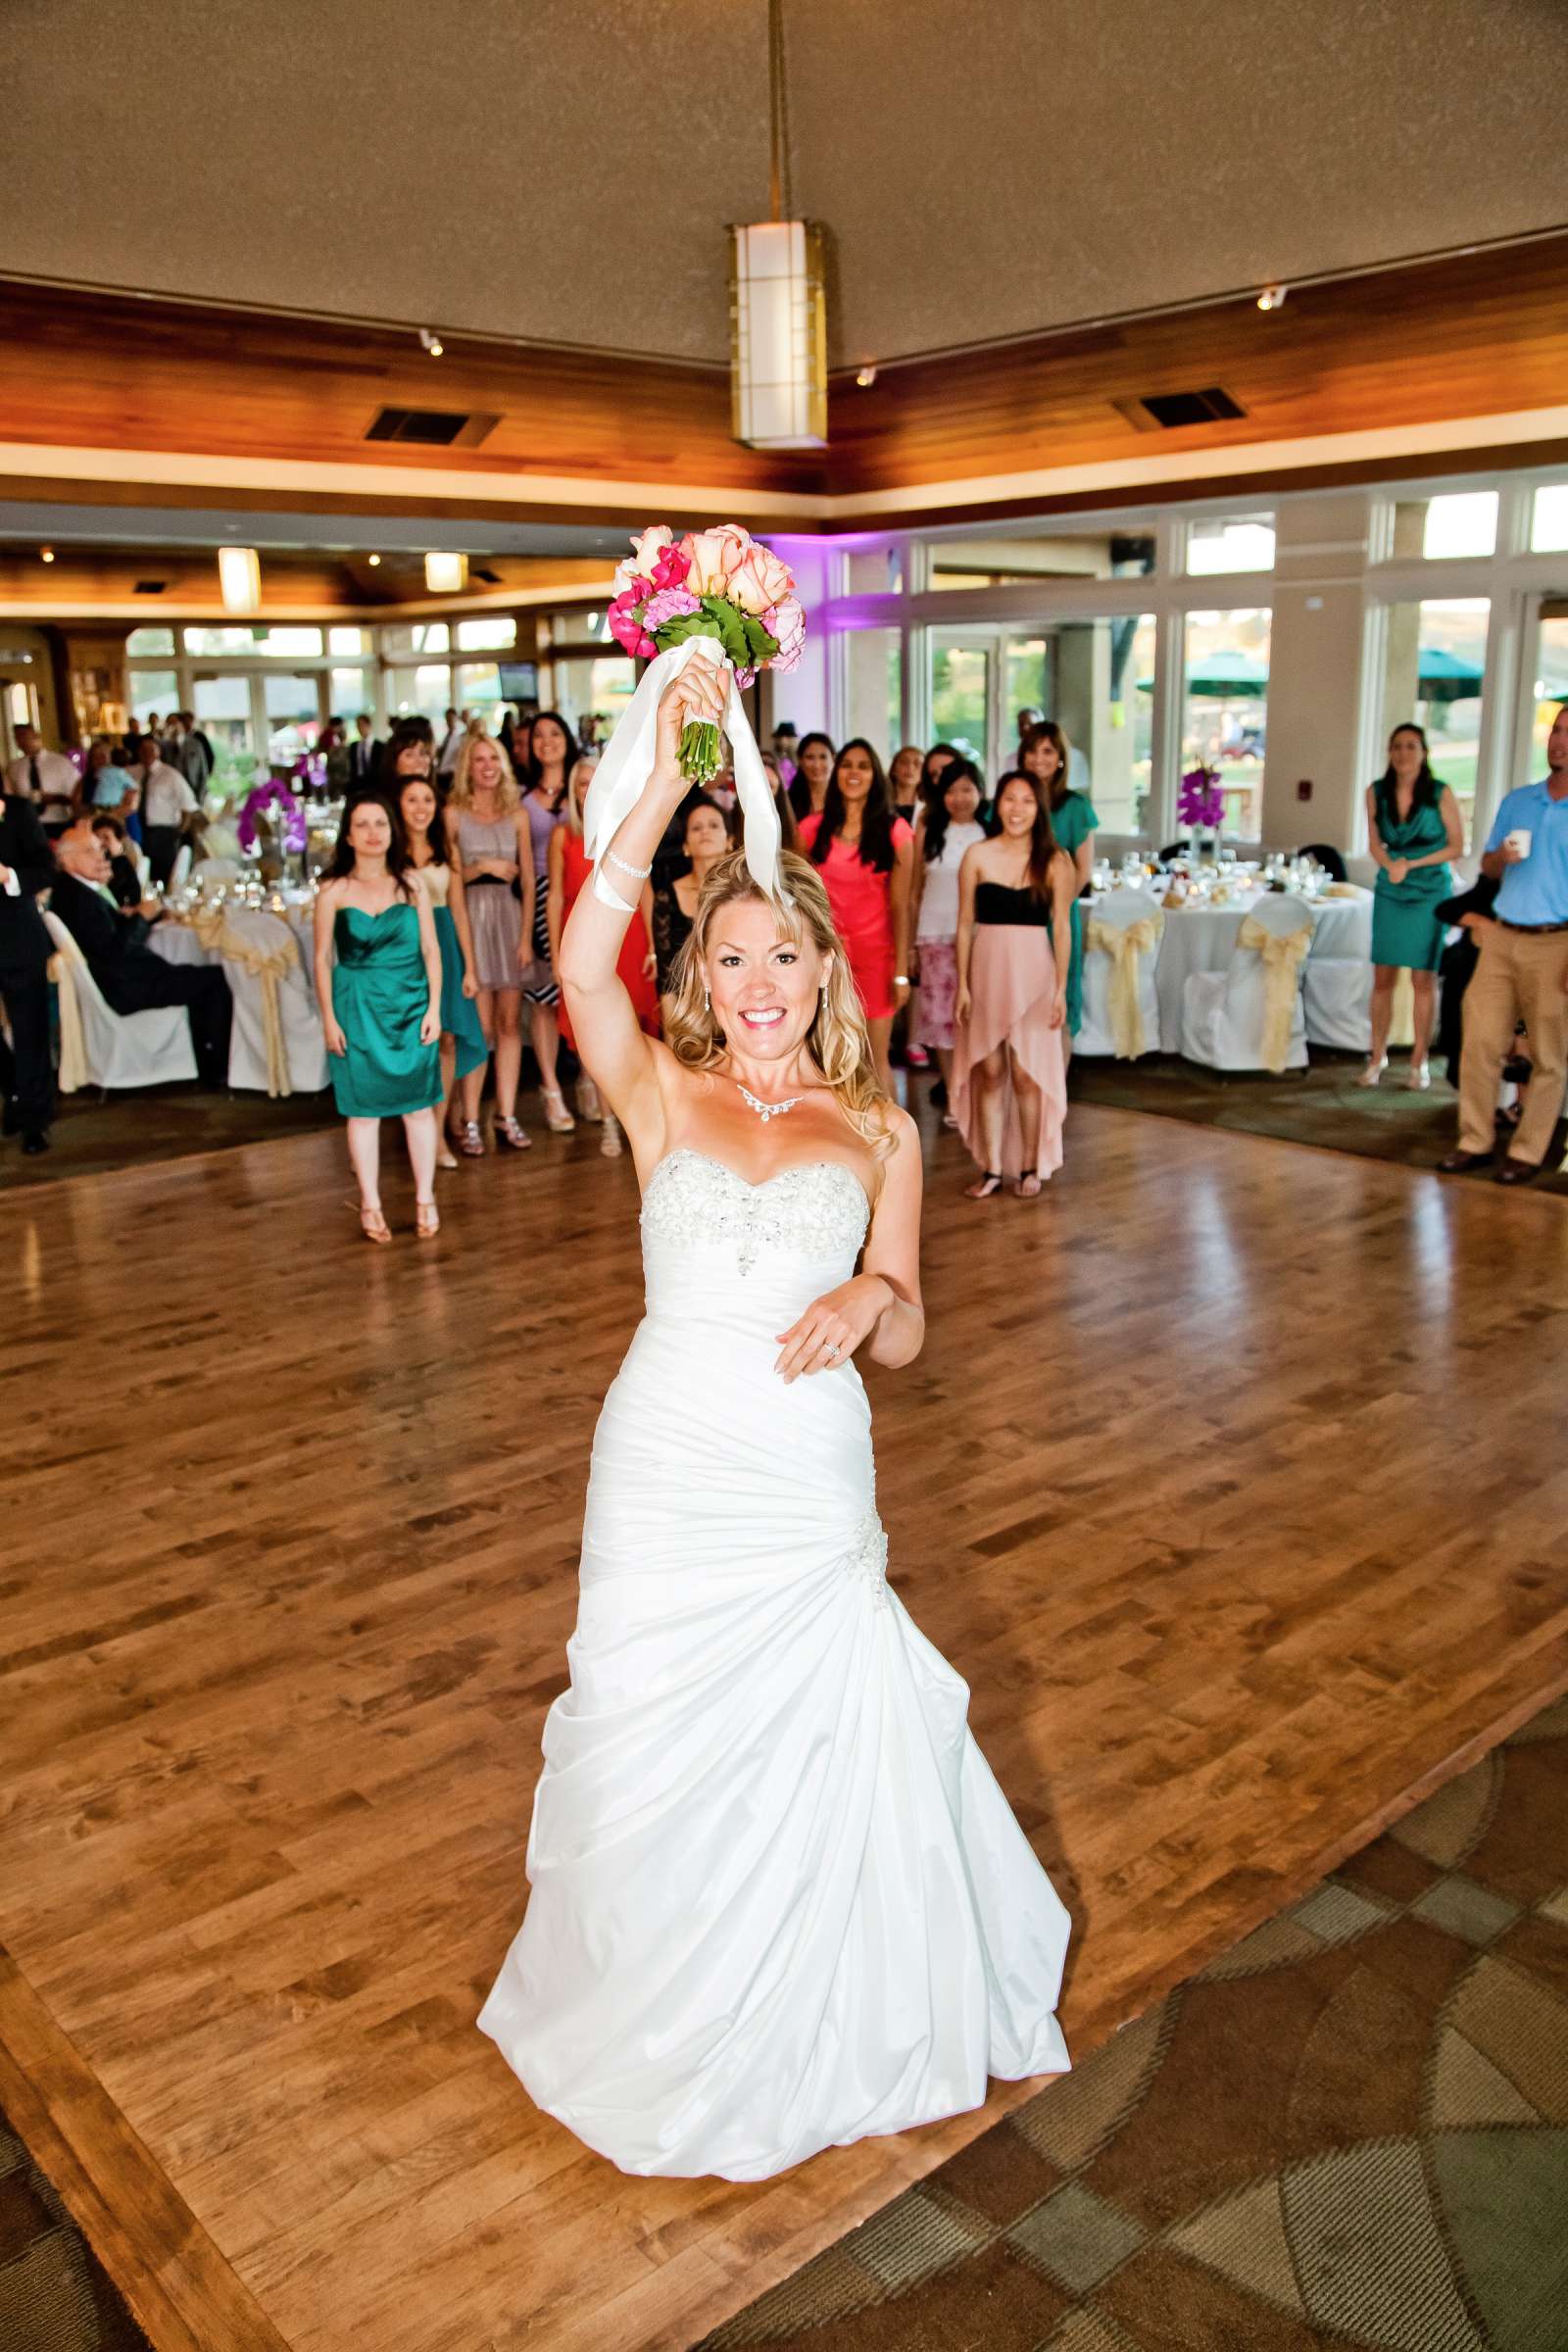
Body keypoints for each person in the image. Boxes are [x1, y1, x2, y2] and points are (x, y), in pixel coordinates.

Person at [476, 646, 1071, 2180]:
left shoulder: (879, 1130)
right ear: (703, 976)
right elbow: (580, 959)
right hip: (666, 1454)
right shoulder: (654, 1091)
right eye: (729, 961)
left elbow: (915, 1335)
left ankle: (823, 1989)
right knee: (648, 1713)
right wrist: (667, 776)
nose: (755, 988)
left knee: (820, 1723)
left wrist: (879, 1298)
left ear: (826, 973)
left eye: (782, 961)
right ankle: (663, 1996)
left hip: (806, 1466)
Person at [1442, 701, 1568, 1184]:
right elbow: (1487, 868)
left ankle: (1529, 1151)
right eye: (1556, 731)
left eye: (1567, 733)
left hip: (1556, 942)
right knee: (1479, 1042)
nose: (1559, 740)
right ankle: (1474, 1141)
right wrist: (1500, 858)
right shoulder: (1519, 800)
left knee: (1548, 1057)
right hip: (1501, 935)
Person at [313, 796, 444, 1243]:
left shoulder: (412, 883)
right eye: (362, 824)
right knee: (363, 1111)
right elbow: (320, 959)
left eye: (380, 824)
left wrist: (434, 1007)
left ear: (392, 831)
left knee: (419, 1107)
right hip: (357, 1005)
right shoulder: (333, 889)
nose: (372, 832)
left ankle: (425, 1197)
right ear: (348, 836)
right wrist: (329, 1018)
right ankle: (370, 1203)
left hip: (409, 1002)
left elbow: (431, 949)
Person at [953, 771, 1076, 1199]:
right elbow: (965, 924)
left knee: (1026, 1074)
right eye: (1009, 798)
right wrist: (963, 985)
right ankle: (989, 1167)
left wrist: (1061, 988)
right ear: (997, 803)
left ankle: (1029, 1166)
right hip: (986, 973)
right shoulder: (977, 855)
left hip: (1036, 975)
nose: (1017, 808)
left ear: (1039, 807)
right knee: (988, 1070)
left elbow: (1062, 928)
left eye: (1026, 800)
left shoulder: (1056, 860)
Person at [49, 819, 232, 1088]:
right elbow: (115, 951)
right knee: (216, 980)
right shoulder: (76, 898)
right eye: (90, 851)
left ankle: (204, 1060)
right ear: (67, 860)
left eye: (100, 849)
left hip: (126, 978)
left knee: (201, 974)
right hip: (125, 986)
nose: (101, 856)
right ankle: (215, 1070)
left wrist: (134, 917)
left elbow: (106, 937)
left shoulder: (75, 890)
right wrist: (142, 918)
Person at [549, 756, 659, 1156]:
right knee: (596, 1031)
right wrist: (555, 951)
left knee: (635, 1026)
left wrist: (652, 945)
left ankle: (635, 1117)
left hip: (628, 938)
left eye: (596, 780)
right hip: (585, 940)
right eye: (581, 782)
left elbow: (645, 889)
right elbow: (555, 895)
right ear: (574, 790)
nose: (588, 788)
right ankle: (610, 1122)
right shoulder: (564, 836)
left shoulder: (627, 830)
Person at [796, 741, 914, 1095]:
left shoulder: (897, 832)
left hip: (876, 958)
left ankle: (888, 1146)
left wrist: (902, 973)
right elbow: (798, 899)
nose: (854, 772)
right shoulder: (811, 829)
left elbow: (901, 906)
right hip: (825, 958)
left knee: (876, 1060)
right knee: (826, 1058)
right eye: (847, 764)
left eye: (863, 766)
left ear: (875, 775)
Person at [446, 730, 535, 1156]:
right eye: (479, 759)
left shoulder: (516, 814)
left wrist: (525, 938)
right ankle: (469, 1119)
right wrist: (480, 865)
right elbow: (447, 882)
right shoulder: (453, 814)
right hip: (471, 923)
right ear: (468, 766)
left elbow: (531, 883)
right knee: (479, 1030)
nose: (487, 766)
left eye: (493, 759)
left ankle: (506, 1113)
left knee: (509, 1025)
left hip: (508, 917)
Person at [1361, 723, 1464, 1089]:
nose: (1403, 753)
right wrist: (1390, 865)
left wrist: (1412, 864)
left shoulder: (1440, 793)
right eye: (1397, 746)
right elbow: (1374, 842)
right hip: (1391, 887)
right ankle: (1377, 1056)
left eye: (1411, 746)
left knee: (1423, 977)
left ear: (1423, 752)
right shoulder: (1375, 792)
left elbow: (1457, 847)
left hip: (1430, 889)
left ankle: (1418, 1061)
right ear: (1390, 752)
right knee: (1383, 977)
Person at [399, 773, 488, 1171]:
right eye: (412, 800)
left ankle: (435, 1136)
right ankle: (404, 1129)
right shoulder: (391, 851)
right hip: (404, 948)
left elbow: (459, 911)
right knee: (411, 1043)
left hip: (446, 947)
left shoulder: (445, 849)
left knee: (447, 1040)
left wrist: (469, 965)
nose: (421, 808)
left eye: (427, 801)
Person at [910, 757, 986, 1120]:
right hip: (934, 936)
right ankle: (954, 1094)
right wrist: (911, 942)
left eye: (967, 789)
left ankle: (972, 1090)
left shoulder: (989, 832)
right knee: (941, 1018)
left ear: (980, 792)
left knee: (973, 1017)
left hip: (977, 938)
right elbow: (914, 890)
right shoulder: (929, 827)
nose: (960, 797)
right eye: (953, 790)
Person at [1020, 720, 1099, 1046]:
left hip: (1058, 916)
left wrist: (1058, 909)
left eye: (1048, 751)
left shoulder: (1075, 807)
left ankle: (1056, 1087)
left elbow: (1083, 870)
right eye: (1033, 751)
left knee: (1059, 996)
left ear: (1061, 758)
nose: (1040, 759)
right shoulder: (1012, 802)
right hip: (1016, 916)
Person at [520, 710, 579, 1133]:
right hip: (544, 896)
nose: (546, 741)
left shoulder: (586, 783)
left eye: (554, 733)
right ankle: (550, 1086)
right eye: (538, 735)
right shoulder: (524, 800)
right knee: (544, 998)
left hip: (584, 894)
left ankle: (588, 1080)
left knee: (583, 992)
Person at [0, 783, 55, 1152]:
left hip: (17, 938)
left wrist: (8, 876)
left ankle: (35, 1120)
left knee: (29, 1031)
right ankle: (15, 1094)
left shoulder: (18, 811)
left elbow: (45, 869)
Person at [650, 791, 729, 1027]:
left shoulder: (746, 893)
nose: (705, 831)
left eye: (714, 825)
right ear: (685, 846)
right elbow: (667, 983)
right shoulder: (667, 896)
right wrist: (674, 1043)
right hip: (689, 1017)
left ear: (730, 841)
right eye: (696, 828)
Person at [133, 731, 199, 887]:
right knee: (143, 873)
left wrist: (179, 833)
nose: (146, 753)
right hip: (140, 830)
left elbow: (188, 806)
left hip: (164, 832)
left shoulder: (170, 775)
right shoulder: (134, 772)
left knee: (163, 875)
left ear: (158, 751)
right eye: (143, 749)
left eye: (151, 749)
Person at [6, 724, 79, 838]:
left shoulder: (61, 763)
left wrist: (55, 798)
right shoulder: (14, 767)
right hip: (28, 825)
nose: (21, 740)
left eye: (24, 735)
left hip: (57, 821)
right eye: (17, 737)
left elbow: (76, 795)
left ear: (36, 736)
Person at [785, 729, 834, 823]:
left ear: (833, 759)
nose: (817, 765)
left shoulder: (845, 799)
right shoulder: (788, 802)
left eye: (823, 757)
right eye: (810, 757)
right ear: (800, 761)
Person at [174, 709, 215, 801]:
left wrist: (207, 773)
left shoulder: (199, 736)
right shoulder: (177, 739)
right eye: (184, 721)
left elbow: (209, 754)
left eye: (189, 721)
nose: (187, 723)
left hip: (197, 774)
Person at [348, 711, 383, 796]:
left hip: (375, 782)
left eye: (362, 725)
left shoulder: (380, 746)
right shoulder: (354, 746)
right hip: (358, 782)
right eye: (358, 725)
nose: (360, 728)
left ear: (369, 725)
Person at [889, 744, 924, 824]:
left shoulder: (928, 807)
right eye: (904, 762)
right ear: (894, 769)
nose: (910, 767)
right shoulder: (880, 803)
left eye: (917, 764)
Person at [436, 707, 466, 779]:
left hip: (451, 774)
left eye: (451, 718)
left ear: (456, 718)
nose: (449, 721)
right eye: (447, 718)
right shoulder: (446, 735)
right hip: (442, 772)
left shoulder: (461, 736)